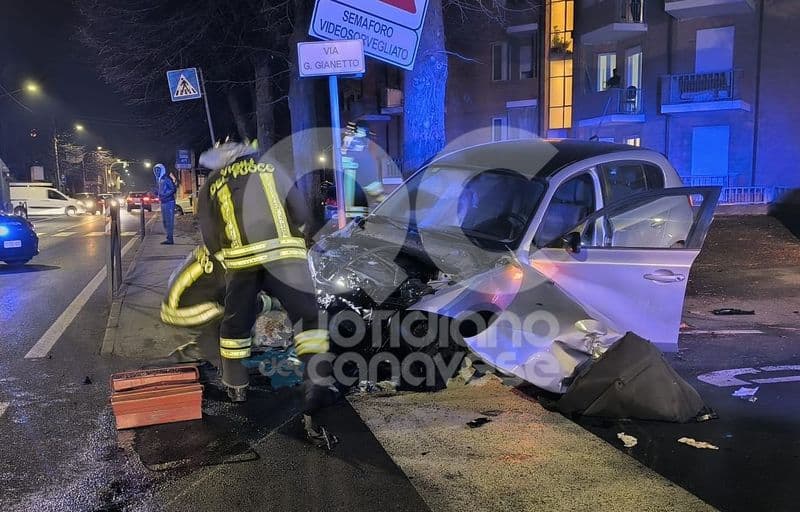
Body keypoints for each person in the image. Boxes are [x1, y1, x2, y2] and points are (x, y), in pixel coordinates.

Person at [161, 141, 338, 448]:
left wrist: (226, 255)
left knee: (235, 324)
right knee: (309, 316)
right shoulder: (272, 168)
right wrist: (294, 238)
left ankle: (236, 386)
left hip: (241, 260)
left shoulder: (212, 184)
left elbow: (209, 232)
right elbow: (301, 210)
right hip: (285, 255)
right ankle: (316, 379)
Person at [154, 164, 176, 245]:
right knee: (165, 222)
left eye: (158, 170)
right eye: (155, 170)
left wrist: (164, 195)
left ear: (162, 170)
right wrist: (156, 192)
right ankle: (168, 238)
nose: (156, 172)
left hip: (169, 202)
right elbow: (160, 191)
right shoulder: (159, 180)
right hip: (163, 202)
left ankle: (170, 239)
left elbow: (173, 189)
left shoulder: (166, 179)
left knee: (169, 221)